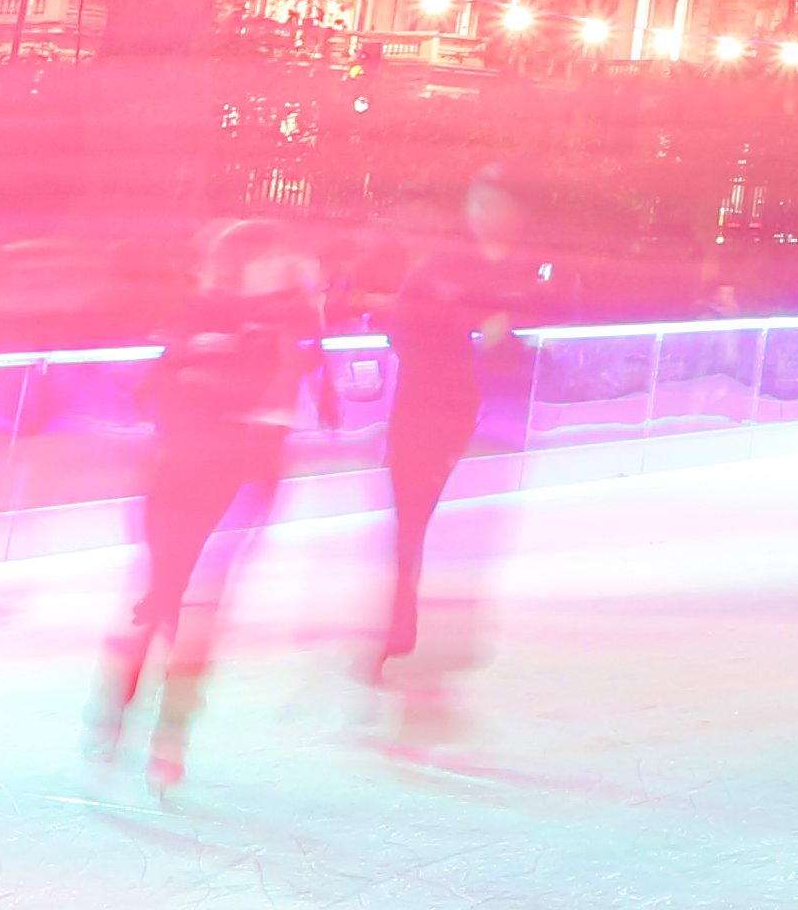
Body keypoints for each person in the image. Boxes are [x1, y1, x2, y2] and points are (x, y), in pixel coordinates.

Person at [98, 222, 322, 798]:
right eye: (267, 258)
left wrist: (211, 386)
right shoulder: (199, 312)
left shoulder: (287, 324)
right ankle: (117, 713)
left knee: (196, 605)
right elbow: (155, 388)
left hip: (240, 477)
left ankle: (169, 736)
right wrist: (199, 392)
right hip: (177, 467)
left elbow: (279, 392)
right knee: (159, 592)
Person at [371, 174, 524, 685]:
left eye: (495, 204)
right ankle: (402, 620)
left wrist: (490, 341)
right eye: (478, 203)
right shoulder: (444, 266)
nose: (484, 214)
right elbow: (404, 329)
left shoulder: (499, 273)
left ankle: (418, 621)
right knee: (411, 516)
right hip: (423, 405)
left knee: (429, 516)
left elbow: (504, 352)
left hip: (459, 411)